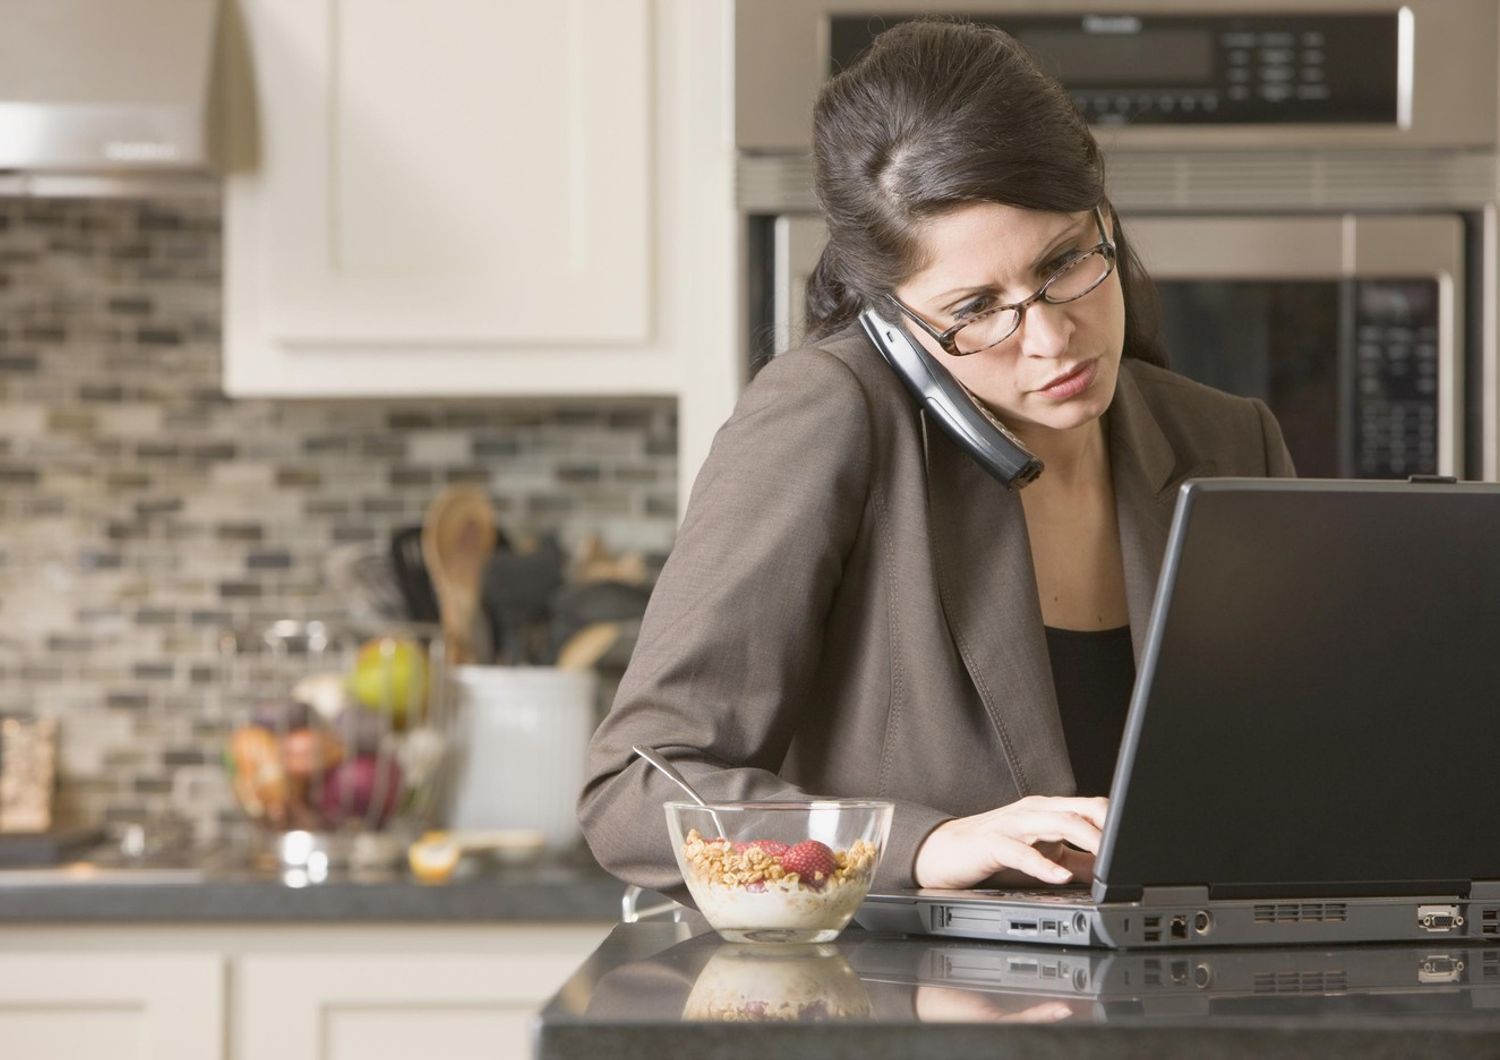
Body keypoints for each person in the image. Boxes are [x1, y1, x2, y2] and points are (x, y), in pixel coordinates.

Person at [578, 19, 1294, 901]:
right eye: (975, 307)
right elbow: (636, 789)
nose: (1050, 337)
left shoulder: (1227, 442)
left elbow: (1299, 770)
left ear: (1103, 218)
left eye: (1067, 261)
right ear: (892, 320)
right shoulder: (829, 415)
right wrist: (921, 847)